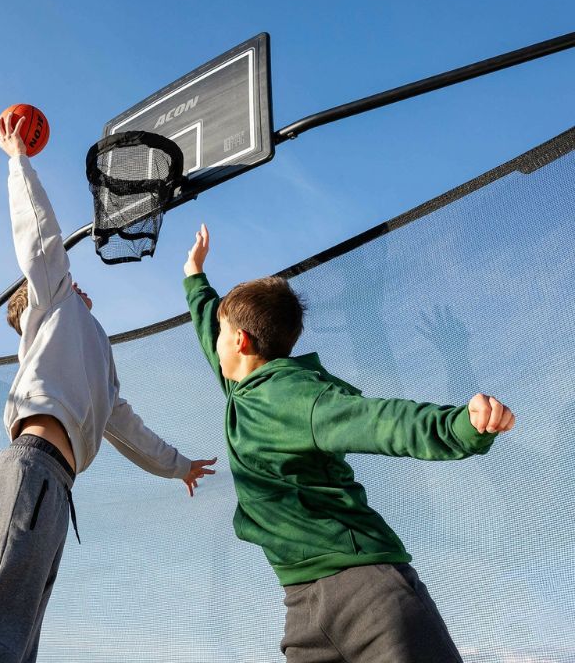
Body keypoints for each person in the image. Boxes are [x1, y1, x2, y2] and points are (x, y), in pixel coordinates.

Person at [182, 223, 515, 663]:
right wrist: (194, 274)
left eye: (224, 335)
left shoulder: (299, 396)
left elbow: (380, 420)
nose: (214, 343)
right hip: (303, 610)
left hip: (367, 594)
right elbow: (211, 326)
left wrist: (459, 426)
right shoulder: (241, 392)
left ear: (240, 341)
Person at [0, 116, 216, 662]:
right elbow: (40, 234)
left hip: (54, 484)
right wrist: (17, 159)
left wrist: (179, 466)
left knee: (16, 640)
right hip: (29, 469)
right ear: (42, 298)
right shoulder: (55, 305)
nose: (76, 283)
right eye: (62, 282)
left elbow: (127, 428)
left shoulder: (96, 354)